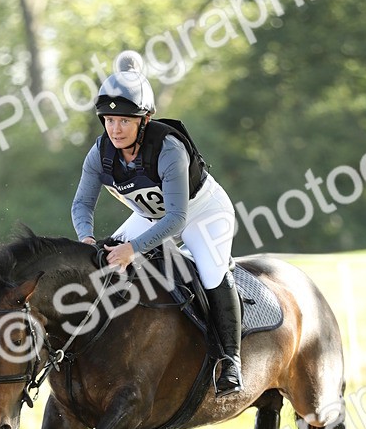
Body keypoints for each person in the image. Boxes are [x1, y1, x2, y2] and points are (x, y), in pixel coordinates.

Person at [71, 50, 244, 395]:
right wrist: (87, 239)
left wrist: (132, 249)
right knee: (102, 263)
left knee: (211, 272)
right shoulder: (99, 153)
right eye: (108, 120)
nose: (115, 129)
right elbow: (81, 204)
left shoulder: (167, 149)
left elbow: (177, 218)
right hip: (149, 216)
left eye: (124, 121)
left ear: (144, 121)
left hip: (203, 213)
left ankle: (231, 361)